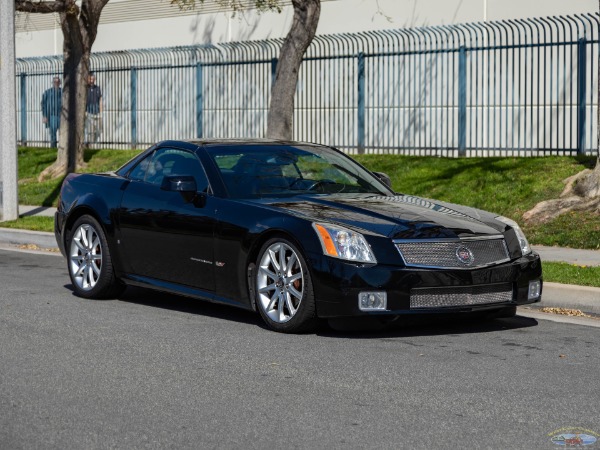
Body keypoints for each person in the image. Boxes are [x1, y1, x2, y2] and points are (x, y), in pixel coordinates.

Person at [41, 76, 62, 148]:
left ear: (60, 83)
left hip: (62, 116)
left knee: (62, 133)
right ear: (52, 83)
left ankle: (62, 148)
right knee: (52, 133)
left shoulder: (63, 92)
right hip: (52, 116)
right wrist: (44, 115)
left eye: (58, 82)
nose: (56, 83)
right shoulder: (47, 92)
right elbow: (43, 104)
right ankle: (53, 147)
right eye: (55, 82)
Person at [85, 72, 103, 145]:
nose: (92, 80)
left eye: (93, 79)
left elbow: (100, 100)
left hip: (97, 112)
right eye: (90, 79)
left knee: (98, 130)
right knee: (90, 130)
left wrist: (101, 111)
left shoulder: (97, 88)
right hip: (89, 112)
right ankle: (90, 144)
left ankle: (93, 143)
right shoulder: (86, 88)